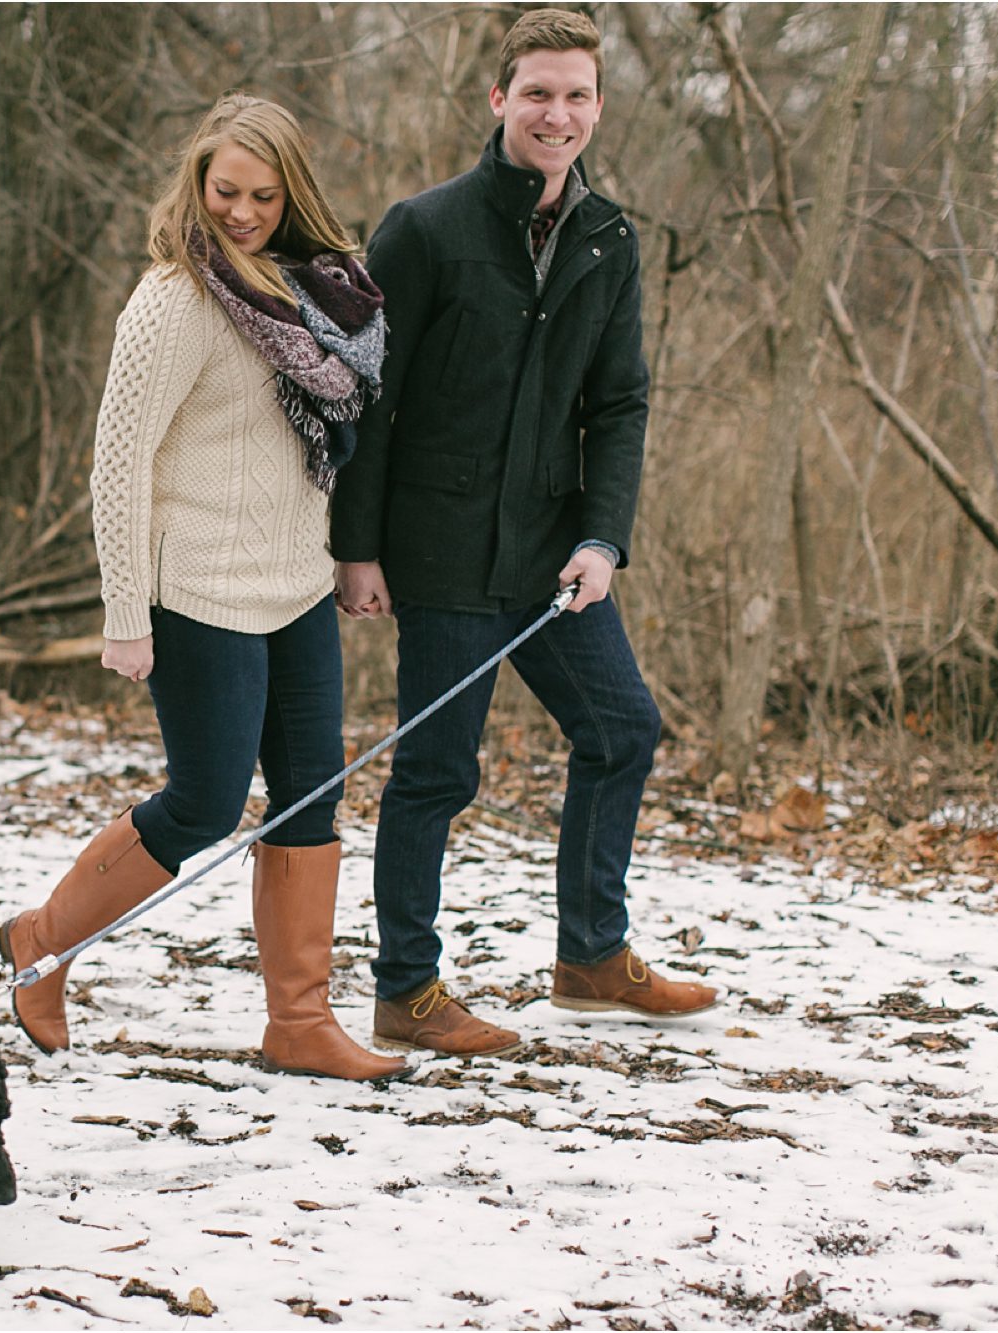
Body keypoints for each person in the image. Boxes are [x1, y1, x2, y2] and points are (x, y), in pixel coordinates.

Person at [331, 9, 718, 1057]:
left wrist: (603, 539)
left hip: (557, 557)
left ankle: (590, 956)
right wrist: (355, 548)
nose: (558, 113)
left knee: (620, 729)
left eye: (577, 95)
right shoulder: (423, 229)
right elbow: (371, 398)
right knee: (436, 773)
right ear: (498, 99)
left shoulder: (609, 237)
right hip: (444, 547)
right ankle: (404, 988)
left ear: (597, 107)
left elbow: (620, 404)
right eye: (538, 92)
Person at [0, 93, 405, 1082]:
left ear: (290, 195)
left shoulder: (314, 295)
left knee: (313, 794)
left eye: (263, 195)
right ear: (196, 183)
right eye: (224, 191)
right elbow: (117, 465)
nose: (240, 212)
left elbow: (332, 448)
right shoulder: (172, 301)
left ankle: (298, 1021)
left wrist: (349, 555)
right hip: (196, 592)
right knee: (205, 801)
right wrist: (123, 612)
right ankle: (39, 947)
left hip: (294, 585)